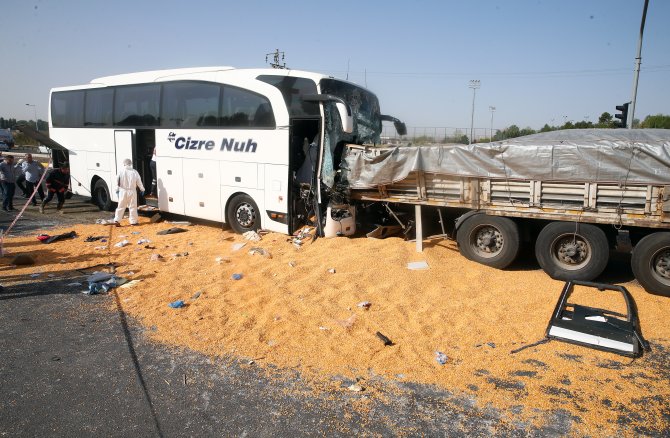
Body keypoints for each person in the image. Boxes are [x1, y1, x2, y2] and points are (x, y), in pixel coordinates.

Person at [113, 158, 145, 226]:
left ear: (124, 164)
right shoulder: (134, 172)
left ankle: (117, 220)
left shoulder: (120, 171)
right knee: (132, 207)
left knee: (121, 206)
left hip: (122, 191)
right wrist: (142, 189)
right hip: (132, 191)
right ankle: (133, 222)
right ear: (131, 164)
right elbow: (139, 181)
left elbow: (117, 182)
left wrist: (117, 190)